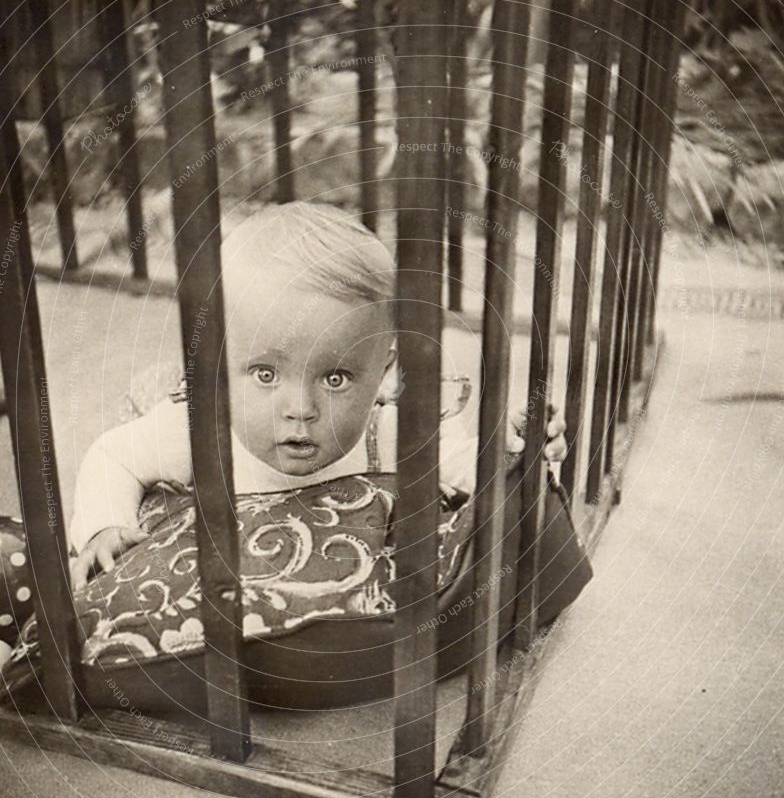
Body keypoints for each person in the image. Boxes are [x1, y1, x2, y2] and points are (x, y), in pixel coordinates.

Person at [69, 202, 566, 589]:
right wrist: (103, 526)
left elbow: (469, 464)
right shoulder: (198, 431)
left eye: (335, 379)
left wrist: (519, 448)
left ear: (383, 374)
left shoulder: (387, 429)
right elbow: (112, 456)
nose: (300, 409)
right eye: (265, 373)